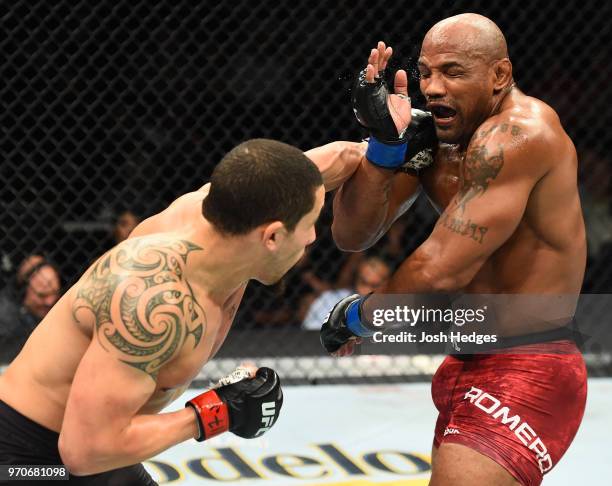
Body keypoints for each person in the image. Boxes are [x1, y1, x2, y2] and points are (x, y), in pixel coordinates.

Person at [319, 14, 587, 486]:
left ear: (499, 76)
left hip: (531, 365)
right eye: (425, 72)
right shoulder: (438, 139)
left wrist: (361, 316)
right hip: (467, 359)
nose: (433, 88)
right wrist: (385, 148)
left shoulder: (521, 134)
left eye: (453, 72)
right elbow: (352, 234)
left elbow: (437, 270)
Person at [0, 138, 360, 485]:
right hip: (25, 461)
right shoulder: (153, 300)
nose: (313, 238)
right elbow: (86, 451)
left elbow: (338, 159)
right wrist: (217, 411)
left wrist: (393, 143)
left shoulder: (237, 208)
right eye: (309, 223)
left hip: (92, 447)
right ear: (272, 237)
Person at [0, 255, 62, 361]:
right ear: (23, 291)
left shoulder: (59, 315)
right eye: (42, 295)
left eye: (55, 293)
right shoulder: (5, 318)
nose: (50, 302)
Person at [302, 256, 390, 330]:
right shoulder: (329, 300)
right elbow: (310, 333)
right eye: (364, 283)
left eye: (375, 286)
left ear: (385, 285)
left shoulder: (395, 309)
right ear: (356, 280)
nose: (368, 291)